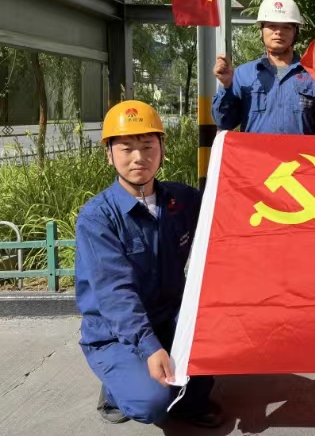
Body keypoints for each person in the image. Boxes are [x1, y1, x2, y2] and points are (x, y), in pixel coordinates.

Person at [75, 101, 222, 427]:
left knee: (212, 357)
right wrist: (149, 346)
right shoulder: (98, 217)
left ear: (162, 149)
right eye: (126, 148)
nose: (138, 157)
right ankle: (116, 389)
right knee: (152, 401)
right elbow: (115, 294)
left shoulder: (183, 201)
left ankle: (190, 399)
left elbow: (227, 211)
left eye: (147, 146)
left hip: (170, 319)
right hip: (115, 332)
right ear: (109, 154)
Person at [212, 0, 315, 135]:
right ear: (261, 31)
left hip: (300, 151)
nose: (278, 32)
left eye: (286, 27)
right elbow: (224, 122)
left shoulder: (314, 76)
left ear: (296, 32)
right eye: (271, 26)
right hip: (256, 151)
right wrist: (226, 86)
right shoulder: (242, 75)